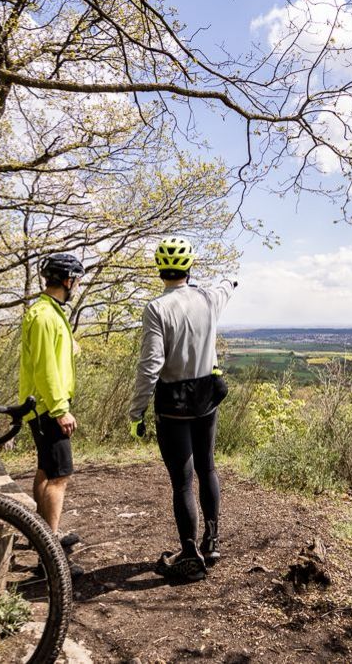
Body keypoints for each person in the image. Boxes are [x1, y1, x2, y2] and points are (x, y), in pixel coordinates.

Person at [129, 236, 236, 582]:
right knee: (208, 468)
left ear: (159, 269)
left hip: (173, 403)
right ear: (190, 267)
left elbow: (151, 365)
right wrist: (231, 280)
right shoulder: (208, 298)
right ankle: (212, 542)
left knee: (183, 482)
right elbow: (226, 286)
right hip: (206, 398)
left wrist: (136, 412)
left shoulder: (157, 309)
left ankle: (189, 554)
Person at [20, 252, 85, 566]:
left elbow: (50, 356)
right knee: (59, 477)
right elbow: (45, 368)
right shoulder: (46, 316)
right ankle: (51, 558)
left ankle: (44, 536)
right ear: (67, 280)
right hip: (48, 407)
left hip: (42, 405)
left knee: (45, 470)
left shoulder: (47, 311)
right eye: (77, 280)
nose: (77, 285)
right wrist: (60, 410)